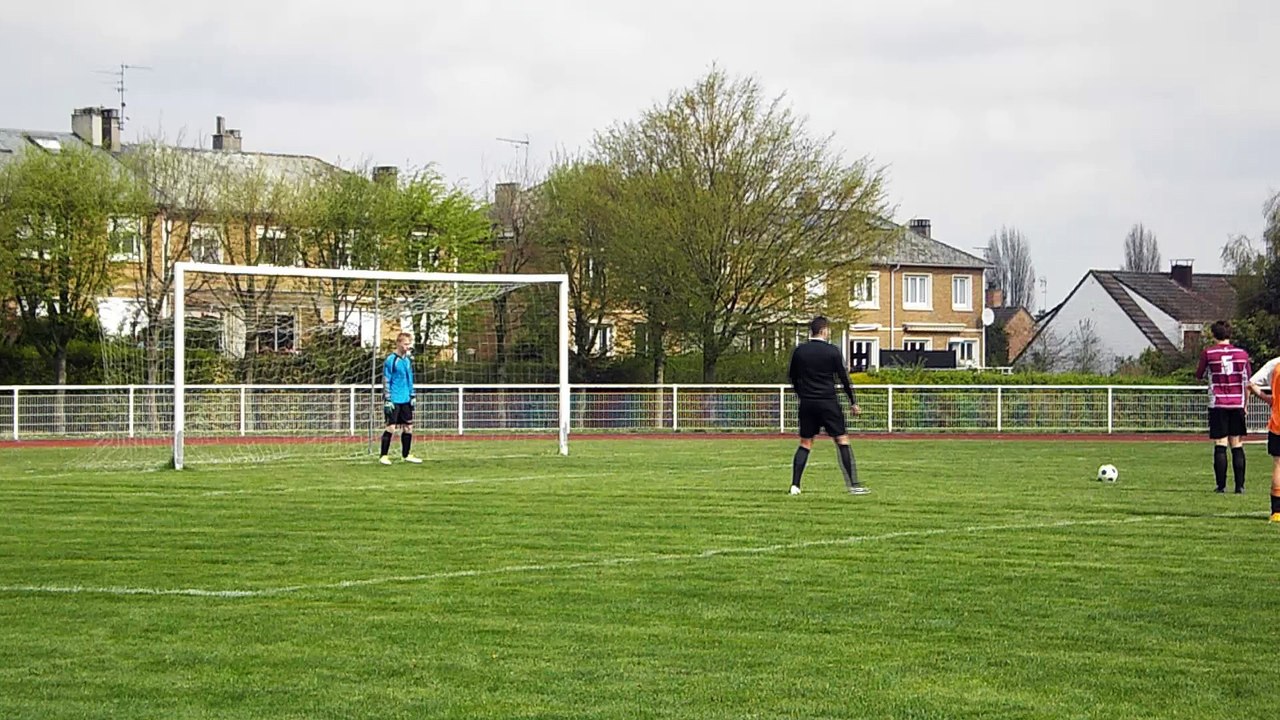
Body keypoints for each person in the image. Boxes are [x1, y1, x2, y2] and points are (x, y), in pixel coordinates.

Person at [787, 316, 867, 495]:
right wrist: (853, 402)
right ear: (823, 331)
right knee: (842, 440)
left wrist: (802, 395)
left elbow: (792, 377)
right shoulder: (832, 351)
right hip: (828, 401)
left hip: (807, 403)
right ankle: (853, 485)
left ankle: (795, 485)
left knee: (806, 442)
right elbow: (844, 378)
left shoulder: (799, 351)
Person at [1195, 321, 1251, 493]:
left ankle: (1221, 486)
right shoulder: (1242, 354)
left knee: (1220, 443)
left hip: (1217, 403)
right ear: (1230, 334)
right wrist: (1245, 405)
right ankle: (1240, 486)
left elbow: (1199, 375)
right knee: (1237, 444)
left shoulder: (1209, 353)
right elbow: (1247, 381)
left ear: (1213, 335)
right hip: (1237, 403)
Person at [380, 332, 422, 465]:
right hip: (394, 399)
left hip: (405, 399)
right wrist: (387, 398)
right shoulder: (391, 360)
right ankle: (383, 456)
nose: (407, 347)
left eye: (409, 344)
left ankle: (406, 454)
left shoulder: (407, 360)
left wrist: (412, 395)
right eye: (405, 344)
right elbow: (387, 379)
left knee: (408, 427)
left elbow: (410, 379)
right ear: (398, 343)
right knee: (391, 427)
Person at [1249, 356, 1280, 522]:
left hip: (1277, 423)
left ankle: (1277, 511)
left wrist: (1269, 399)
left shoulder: (1275, 365)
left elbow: (1251, 383)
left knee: (1278, 464)